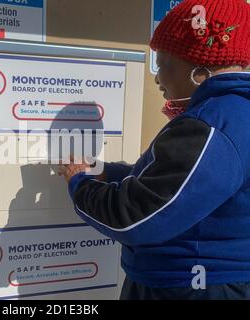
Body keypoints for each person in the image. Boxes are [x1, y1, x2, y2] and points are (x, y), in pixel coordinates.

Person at [58, 0, 250, 299]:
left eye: (162, 63)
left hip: (188, 287)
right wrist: (106, 171)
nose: (157, 77)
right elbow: (177, 185)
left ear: (195, 67)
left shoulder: (210, 125)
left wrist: (78, 183)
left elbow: (135, 217)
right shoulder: (235, 114)